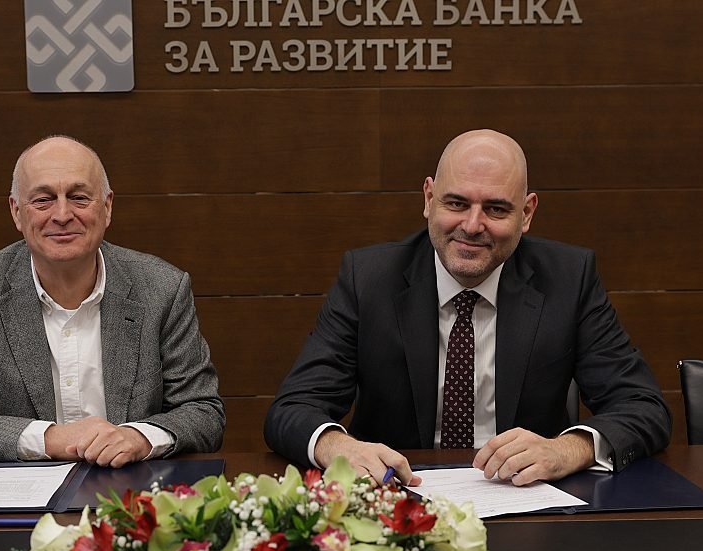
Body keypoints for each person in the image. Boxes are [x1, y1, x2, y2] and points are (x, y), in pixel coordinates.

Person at [264, 129, 669, 486]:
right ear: (429, 198)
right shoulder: (368, 279)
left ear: (527, 213)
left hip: (526, 502)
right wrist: (339, 447)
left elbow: (642, 407)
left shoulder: (568, 279)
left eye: (496, 209)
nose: (473, 226)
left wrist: (566, 450)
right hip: (399, 501)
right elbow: (293, 408)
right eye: (456, 203)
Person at [0, 136, 225, 466]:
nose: (62, 214)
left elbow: (203, 412)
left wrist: (139, 438)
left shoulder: (162, 288)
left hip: (129, 488)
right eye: (43, 200)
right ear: (16, 212)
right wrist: (49, 439)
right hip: (21, 495)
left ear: (107, 207)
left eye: (79, 197)